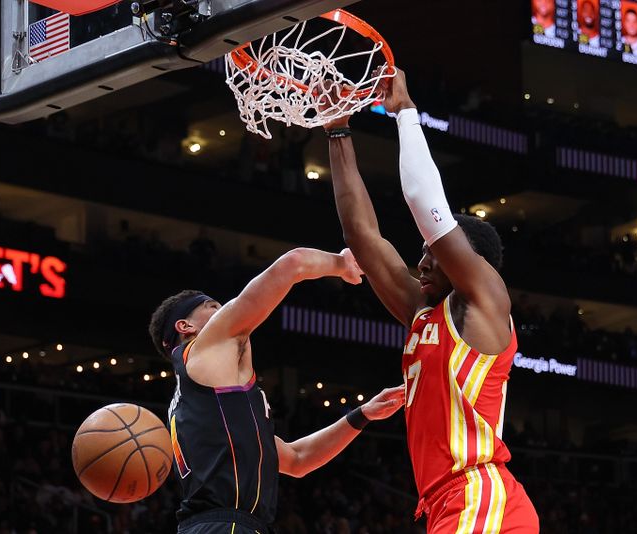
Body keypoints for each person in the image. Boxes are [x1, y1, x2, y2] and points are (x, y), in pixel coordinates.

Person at [324, 69, 538, 532]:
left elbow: (424, 201)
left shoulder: (484, 301)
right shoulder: (424, 313)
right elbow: (362, 237)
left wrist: (403, 113)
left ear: (469, 262)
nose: (421, 265)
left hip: (478, 494)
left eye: (432, 257)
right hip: (445, 501)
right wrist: (338, 129)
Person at [148, 248, 405, 534]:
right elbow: (292, 264)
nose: (224, 311)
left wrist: (362, 415)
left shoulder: (203, 402)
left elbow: (297, 459)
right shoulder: (205, 348)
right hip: (226, 525)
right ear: (185, 326)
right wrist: (342, 264)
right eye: (212, 306)